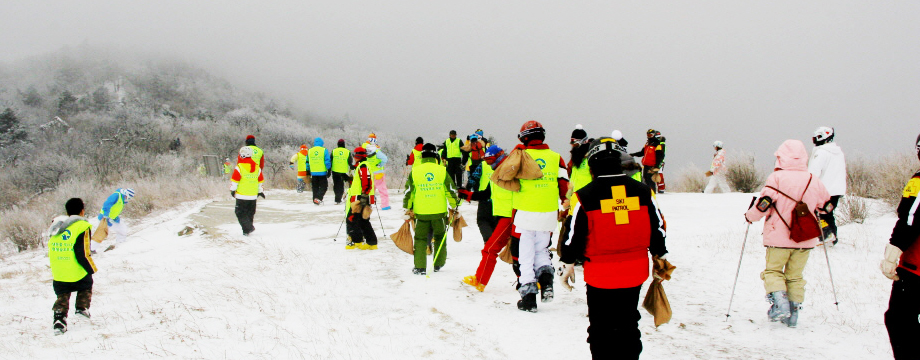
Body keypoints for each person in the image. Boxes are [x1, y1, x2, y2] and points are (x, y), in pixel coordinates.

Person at [559, 137, 668, 359]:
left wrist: (567, 263)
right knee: (629, 324)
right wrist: (661, 257)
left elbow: (573, 237)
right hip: (634, 272)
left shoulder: (585, 196)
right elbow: (658, 228)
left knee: (601, 328)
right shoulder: (645, 192)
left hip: (600, 275)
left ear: (592, 164)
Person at [744, 139, 831, 328]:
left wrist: (750, 217)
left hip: (778, 238)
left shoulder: (776, 179)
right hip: (805, 238)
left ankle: (780, 304)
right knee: (795, 276)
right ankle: (793, 314)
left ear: (780, 158)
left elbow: (763, 205)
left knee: (773, 271)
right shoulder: (812, 179)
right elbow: (826, 207)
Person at [512, 120, 569, 312]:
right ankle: (546, 283)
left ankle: (528, 297)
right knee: (542, 250)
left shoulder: (520, 155)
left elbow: (503, 175)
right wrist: (564, 202)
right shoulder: (556, 157)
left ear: (524, 137)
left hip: (525, 211)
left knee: (526, 255)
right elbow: (564, 184)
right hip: (548, 211)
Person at [880, 133, 920, 360]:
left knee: (899, 320)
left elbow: (910, 218)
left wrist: (893, 251)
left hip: (916, 267)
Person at [462, 145, 514, 292]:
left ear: (499, 157)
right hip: (504, 215)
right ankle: (530, 281)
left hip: (511, 216)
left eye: (490, 160)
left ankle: (480, 280)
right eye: (486, 160)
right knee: (517, 252)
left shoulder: (511, 170)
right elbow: (486, 193)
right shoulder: (496, 172)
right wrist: (468, 195)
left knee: (490, 249)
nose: (488, 163)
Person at [404, 143, 460, 275]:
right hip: (439, 212)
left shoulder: (415, 171)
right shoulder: (442, 170)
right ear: (436, 155)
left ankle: (420, 267)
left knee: (420, 239)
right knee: (440, 237)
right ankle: (438, 264)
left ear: (422, 156)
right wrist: (455, 205)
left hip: (421, 212)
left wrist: (407, 208)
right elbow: (450, 190)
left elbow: (409, 192)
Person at [48, 198, 97, 335]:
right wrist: (91, 268)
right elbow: (83, 252)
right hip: (74, 268)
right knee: (86, 282)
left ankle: (59, 320)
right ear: (82, 210)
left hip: (58, 269)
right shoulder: (82, 226)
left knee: (62, 294)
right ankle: (82, 308)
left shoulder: (57, 227)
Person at [809, 127, 846, 245]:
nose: (815, 141)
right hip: (836, 190)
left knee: (817, 211)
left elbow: (813, 172)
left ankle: (826, 234)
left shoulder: (821, 153)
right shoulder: (838, 152)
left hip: (824, 190)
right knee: (828, 212)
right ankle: (832, 236)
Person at [346, 146, 378, 250]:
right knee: (363, 220)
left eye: (355, 155)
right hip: (362, 197)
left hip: (360, 198)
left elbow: (366, 182)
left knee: (355, 219)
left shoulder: (363, 166)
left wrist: (364, 197)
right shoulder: (363, 165)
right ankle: (371, 242)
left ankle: (358, 241)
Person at [230, 146, 265, 236]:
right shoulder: (257, 168)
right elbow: (260, 182)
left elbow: (234, 181)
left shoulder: (239, 167)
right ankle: (246, 231)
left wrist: (232, 190)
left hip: (242, 195)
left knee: (240, 212)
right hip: (253, 195)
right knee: (250, 212)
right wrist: (260, 191)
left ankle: (248, 228)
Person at [92, 188, 136, 253]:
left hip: (113, 218)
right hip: (105, 218)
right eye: (128, 197)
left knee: (122, 229)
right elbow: (106, 205)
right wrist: (105, 216)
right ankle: (91, 249)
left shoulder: (122, 198)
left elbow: (115, 208)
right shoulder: (116, 195)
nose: (127, 199)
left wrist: (115, 217)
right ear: (126, 194)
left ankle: (120, 244)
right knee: (101, 234)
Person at [365, 142, 391, 210]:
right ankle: (385, 205)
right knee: (382, 189)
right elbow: (385, 158)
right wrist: (380, 165)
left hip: (370, 173)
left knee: (370, 189)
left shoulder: (366, 152)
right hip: (379, 173)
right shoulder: (377, 152)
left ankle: (368, 204)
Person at [307, 137, 332, 205]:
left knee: (315, 187)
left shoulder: (310, 150)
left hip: (313, 173)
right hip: (322, 173)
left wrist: (308, 170)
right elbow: (327, 161)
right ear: (322, 143)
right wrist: (329, 169)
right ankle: (318, 198)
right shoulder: (324, 150)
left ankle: (315, 200)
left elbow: (307, 161)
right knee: (324, 186)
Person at [331, 139, 351, 205]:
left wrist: (328, 170)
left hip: (335, 170)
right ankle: (340, 197)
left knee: (336, 185)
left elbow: (330, 160)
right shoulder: (347, 151)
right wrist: (352, 167)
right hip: (343, 171)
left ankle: (337, 199)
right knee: (341, 184)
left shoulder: (334, 151)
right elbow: (350, 161)